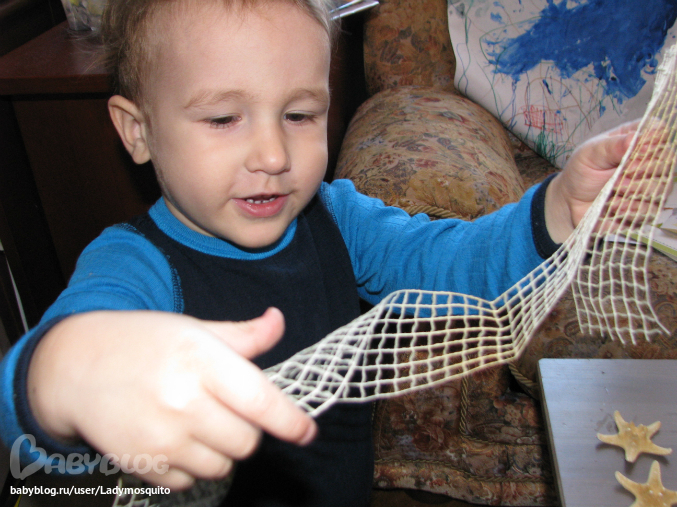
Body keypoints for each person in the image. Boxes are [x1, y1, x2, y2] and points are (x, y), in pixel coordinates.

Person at [0, 0, 643, 505]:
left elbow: (456, 264)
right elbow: (32, 429)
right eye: (223, 119)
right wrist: (64, 374)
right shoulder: (133, 265)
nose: (273, 155)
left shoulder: (339, 221)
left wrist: (556, 209)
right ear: (138, 131)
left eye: (300, 115)